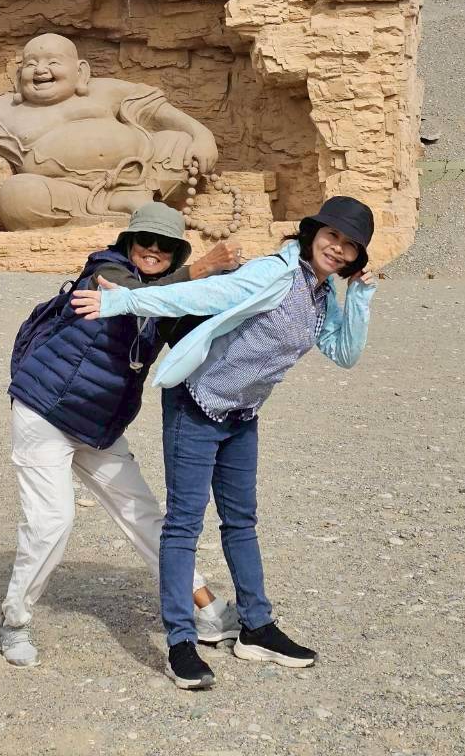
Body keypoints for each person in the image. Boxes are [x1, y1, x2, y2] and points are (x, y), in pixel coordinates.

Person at [72, 196, 376, 690]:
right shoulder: (274, 274)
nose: (337, 248)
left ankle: (256, 627)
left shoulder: (320, 295)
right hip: (196, 404)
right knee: (183, 525)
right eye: (332, 236)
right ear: (313, 234)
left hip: (241, 415)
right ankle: (181, 642)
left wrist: (359, 294)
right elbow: (200, 296)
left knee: (241, 521)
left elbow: (345, 352)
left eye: (350, 245)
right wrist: (121, 301)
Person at [0, 203, 242, 667]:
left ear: (175, 253)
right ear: (129, 242)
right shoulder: (106, 272)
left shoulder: (167, 297)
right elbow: (132, 296)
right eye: (145, 239)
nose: (154, 249)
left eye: (166, 245)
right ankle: (15, 621)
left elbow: (205, 331)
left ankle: (207, 610)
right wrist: (201, 270)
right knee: (51, 522)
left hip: (99, 427)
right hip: (45, 413)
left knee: (145, 514)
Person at [0, 32, 218, 228]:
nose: (40, 70)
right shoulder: (6, 109)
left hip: (140, 175)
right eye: (31, 64)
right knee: (16, 195)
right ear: (18, 77)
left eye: (52, 62)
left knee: (178, 142)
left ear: (81, 72)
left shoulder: (105, 90)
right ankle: (125, 209)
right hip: (68, 192)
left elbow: (161, 113)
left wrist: (202, 136)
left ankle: (138, 199)